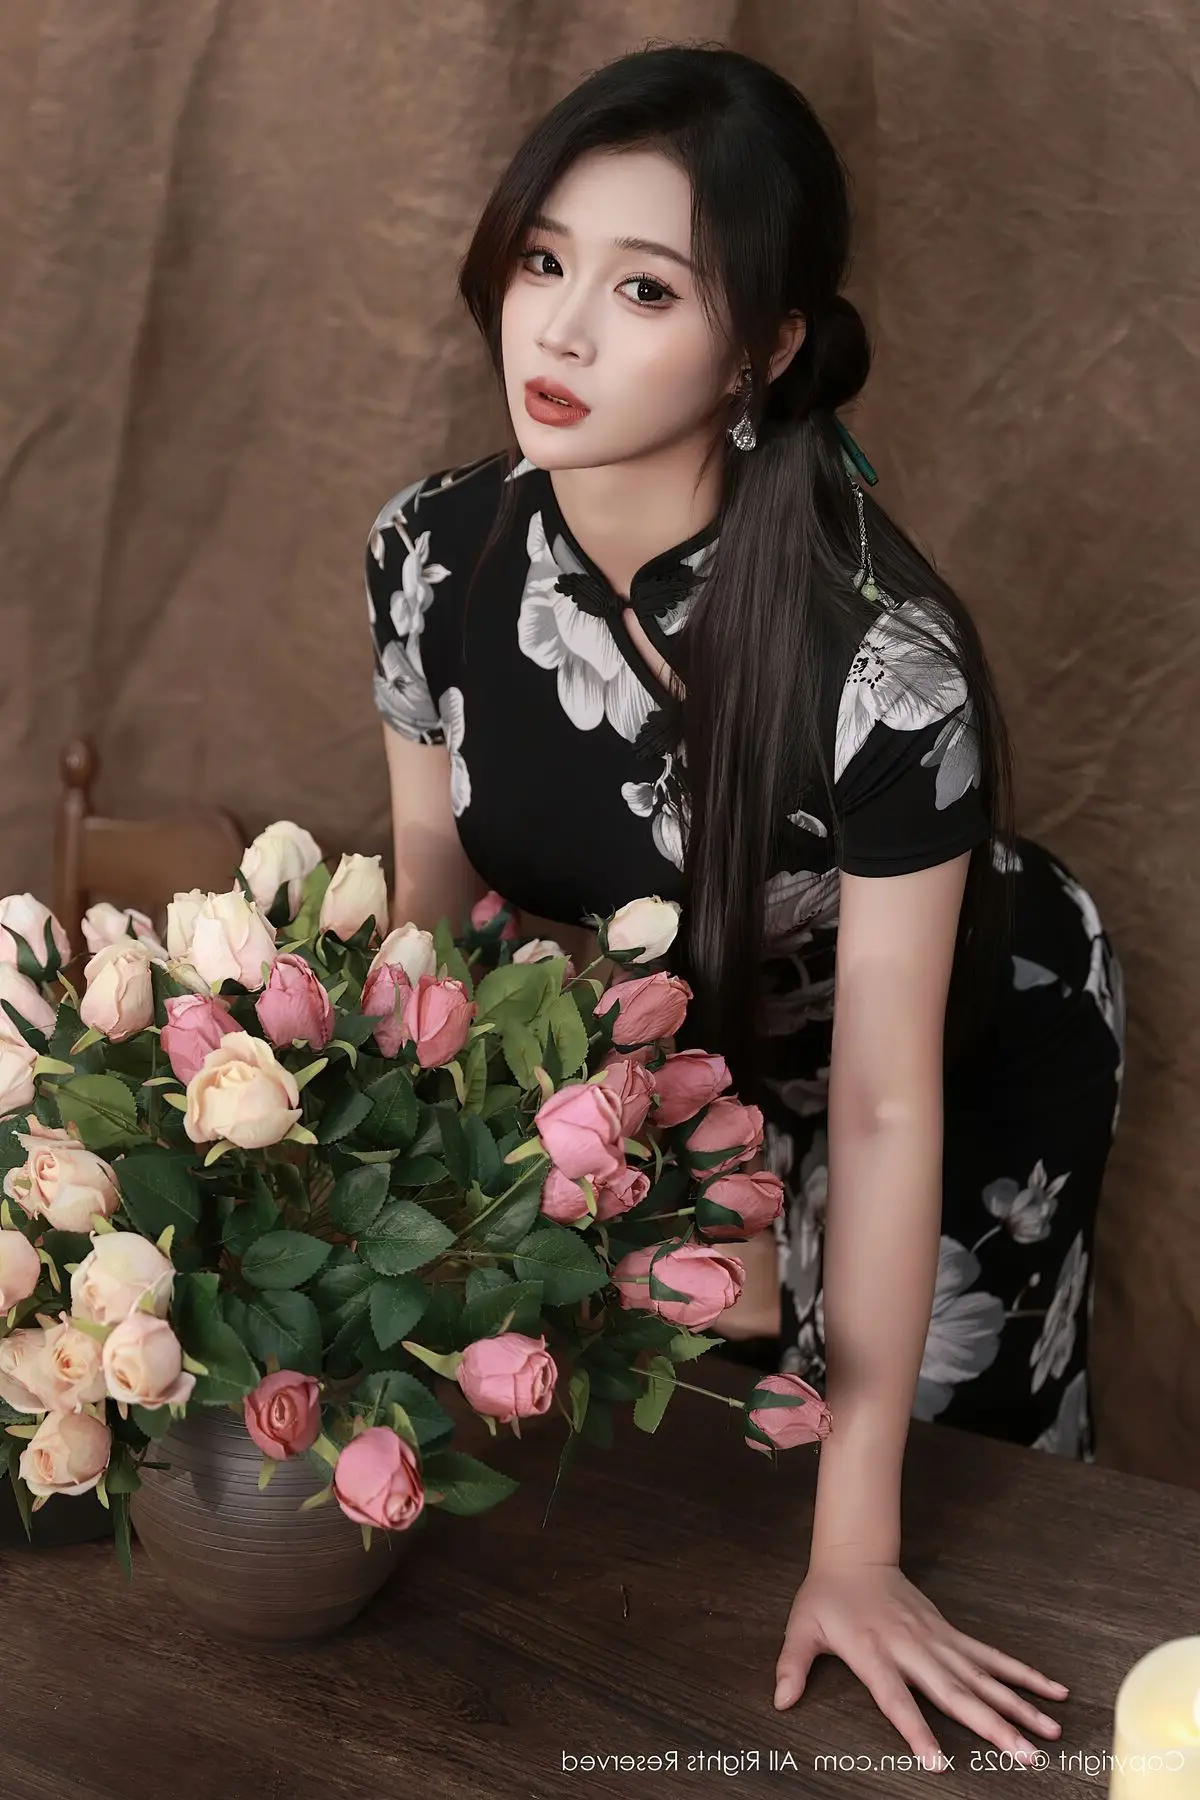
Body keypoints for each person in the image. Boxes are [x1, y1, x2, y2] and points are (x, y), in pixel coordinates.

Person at [363, 44, 1124, 1770]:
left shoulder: (884, 663)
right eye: (543, 260)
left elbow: (886, 1101)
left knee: (936, 1479)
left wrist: (856, 1558)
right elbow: (435, 915)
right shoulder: (431, 553)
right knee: (673, 1479)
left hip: (948, 1060)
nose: (560, 331)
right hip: (692, 1049)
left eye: (644, 290)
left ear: (764, 349)